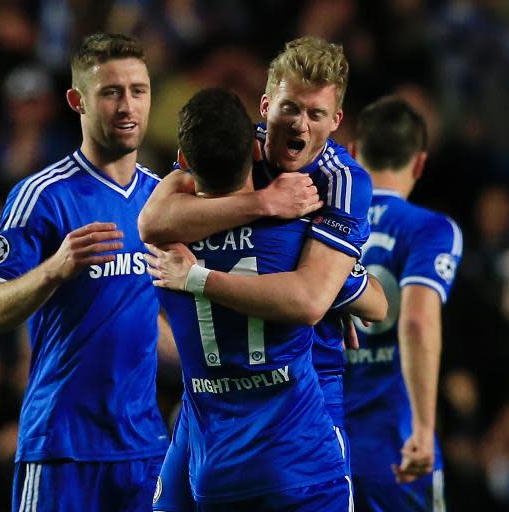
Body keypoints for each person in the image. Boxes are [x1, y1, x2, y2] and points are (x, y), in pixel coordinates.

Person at [141, 36, 385, 511]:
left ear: (336, 122)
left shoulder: (341, 180)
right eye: (290, 109)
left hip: (309, 381)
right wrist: (262, 203)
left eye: (317, 115)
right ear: (266, 105)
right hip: (210, 402)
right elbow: (151, 220)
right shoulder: (229, 146)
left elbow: (317, 298)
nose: (300, 124)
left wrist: (340, 288)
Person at [0, 33, 169, 512]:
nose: (127, 106)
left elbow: (168, 320)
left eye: (138, 91)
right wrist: (55, 269)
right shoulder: (41, 196)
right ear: (77, 100)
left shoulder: (165, 202)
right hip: (62, 448)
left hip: (145, 450)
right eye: (111, 92)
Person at [342, 96, 463, 511]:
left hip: (320, 445)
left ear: (355, 154)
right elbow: (416, 322)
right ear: (420, 163)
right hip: (396, 444)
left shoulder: (321, 225)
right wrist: (425, 428)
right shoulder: (429, 229)